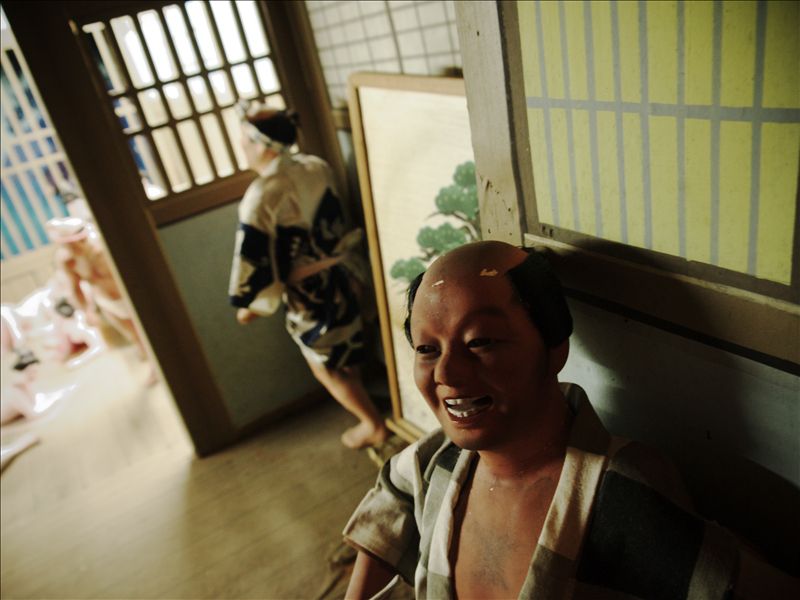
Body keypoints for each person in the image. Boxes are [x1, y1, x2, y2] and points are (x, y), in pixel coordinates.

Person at [343, 240, 798, 599]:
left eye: (480, 341)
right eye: (427, 349)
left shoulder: (619, 493)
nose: (447, 373)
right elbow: (387, 512)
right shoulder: (436, 460)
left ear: (554, 347)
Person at [228, 101, 388, 450]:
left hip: (312, 293)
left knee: (326, 366)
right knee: (343, 356)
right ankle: (370, 413)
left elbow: (254, 259)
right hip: (349, 273)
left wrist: (249, 303)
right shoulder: (316, 166)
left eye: (243, 140)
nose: (240, 146)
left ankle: (373, 425)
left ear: (262, 145)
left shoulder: (262, 194)